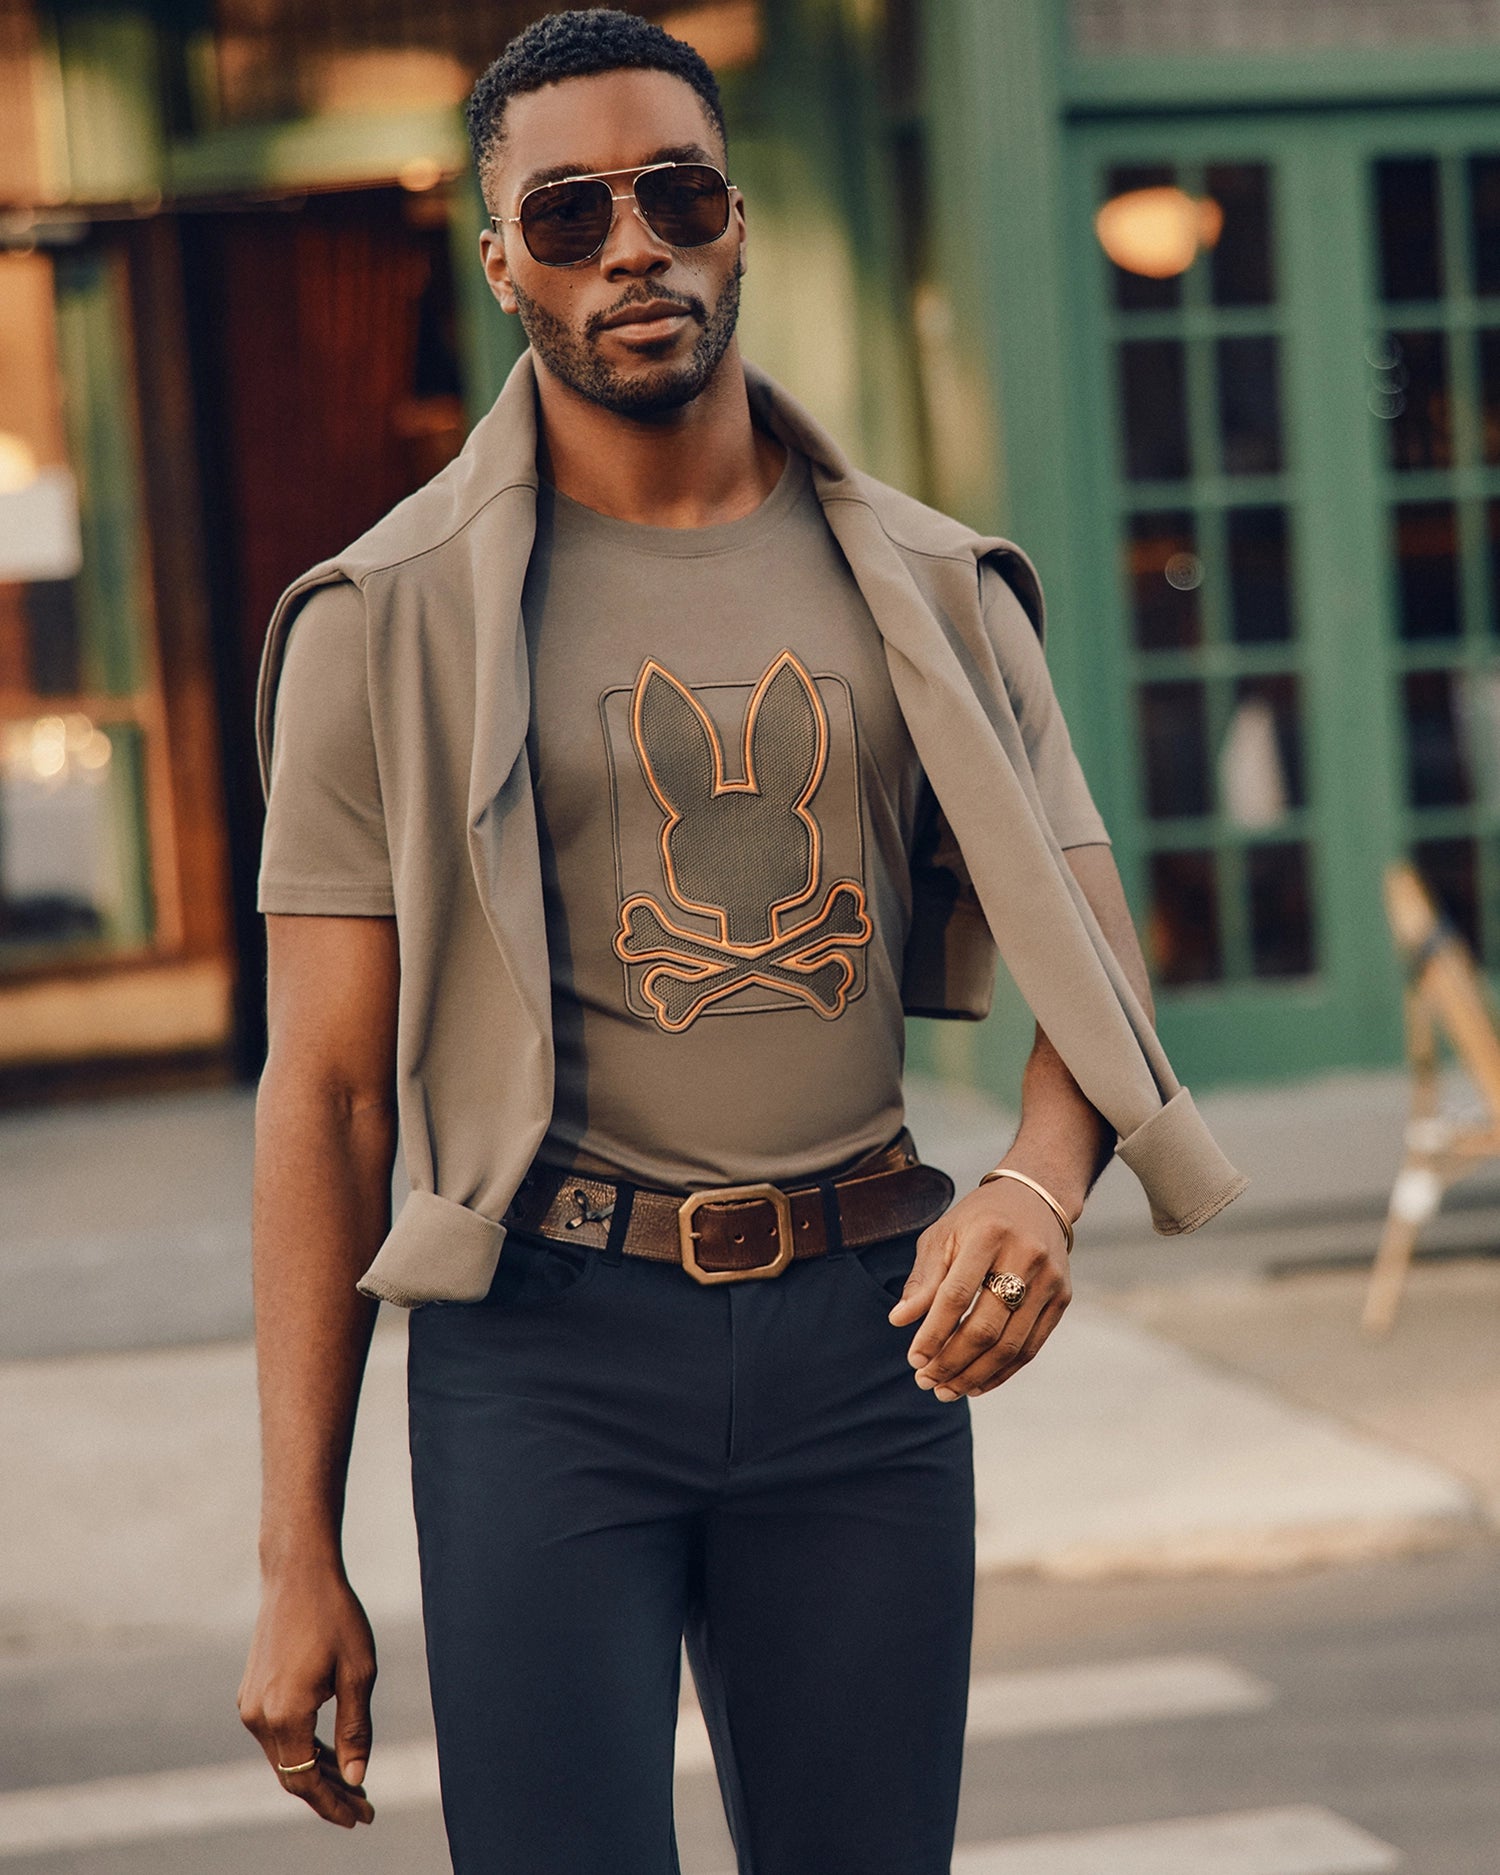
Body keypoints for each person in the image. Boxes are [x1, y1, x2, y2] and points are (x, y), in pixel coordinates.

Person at [236, 11, 1245, 1873]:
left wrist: (1035, 1179)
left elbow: (1094, 960)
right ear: (502, 263)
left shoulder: (935, 589)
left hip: (862, 1342)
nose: (631, 245)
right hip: (542, 1353)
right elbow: (326, 1096)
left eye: (672, 194)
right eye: (567, 215)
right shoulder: (374, 623)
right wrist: (300, 1550)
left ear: (736, 223)